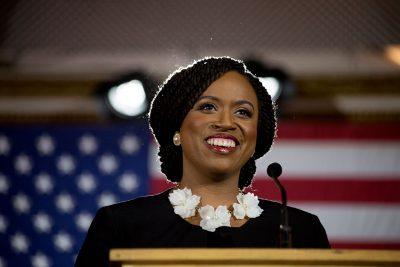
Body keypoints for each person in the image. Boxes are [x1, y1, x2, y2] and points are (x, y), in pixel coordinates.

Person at [75, 57, 330, 267]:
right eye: (208, 107)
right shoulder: (122, 225)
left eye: (243, 112)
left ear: (256, 137)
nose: (227, 122)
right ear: (177, 129)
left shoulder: (300, 229)